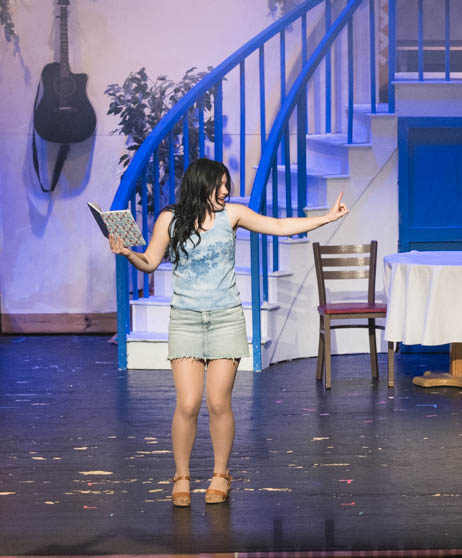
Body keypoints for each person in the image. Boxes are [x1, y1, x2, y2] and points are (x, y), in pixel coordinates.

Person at [109, 158, 349, 507]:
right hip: (186, 319)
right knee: (188, 403)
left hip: (225, 318)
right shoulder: (170, 219)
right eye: (219, 185)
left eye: (226, 185)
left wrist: (326, 218)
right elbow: (150, 262)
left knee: (219, 402)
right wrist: (128, 253)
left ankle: (221, 474)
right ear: (200, 184)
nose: (225, 191)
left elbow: (279, 225)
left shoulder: (232, 215)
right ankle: (181, 476)